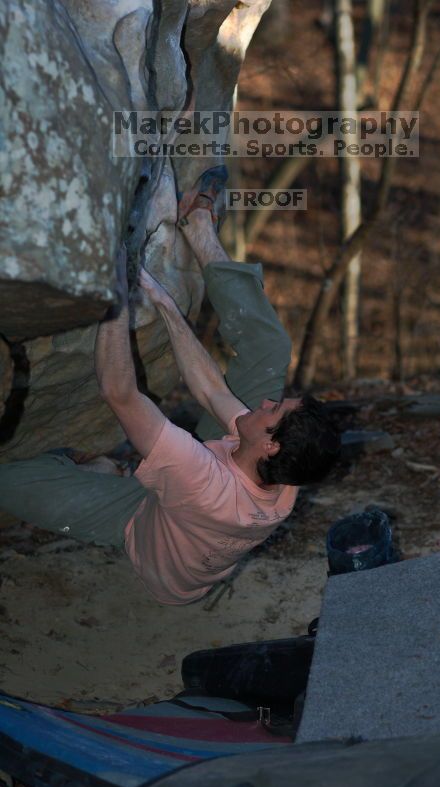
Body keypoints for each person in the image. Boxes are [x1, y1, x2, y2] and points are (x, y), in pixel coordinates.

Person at [0, 167, 340, 605]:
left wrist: (115, 295)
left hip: (143, 528)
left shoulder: (201, 480)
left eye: (275, 410)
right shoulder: (285, 475)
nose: (269, 401)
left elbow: (119, 392)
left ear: (271, 443)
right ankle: (199, 225)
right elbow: (212, 392)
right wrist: (163, 302)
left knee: (9, 480)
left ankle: (120, 474)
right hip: (194, 496)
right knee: (269, 345)